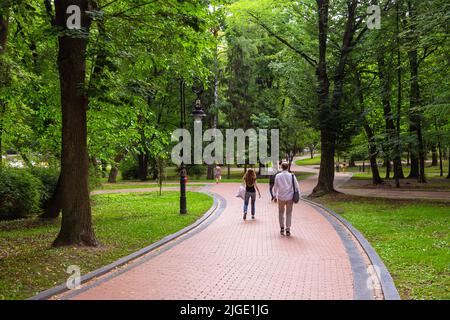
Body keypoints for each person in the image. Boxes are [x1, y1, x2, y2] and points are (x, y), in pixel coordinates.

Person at [273, 162, 300, 236]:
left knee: (281, 212)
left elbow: (275, 186)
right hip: (290, 197)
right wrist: (298, 195)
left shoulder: (278, 176)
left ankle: (282, 227)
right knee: (289, 213)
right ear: (288, 167)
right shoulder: (292, 175)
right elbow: (297, 186)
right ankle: (288, 229)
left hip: (281, 197)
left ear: (281, 167)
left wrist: (274, 195)